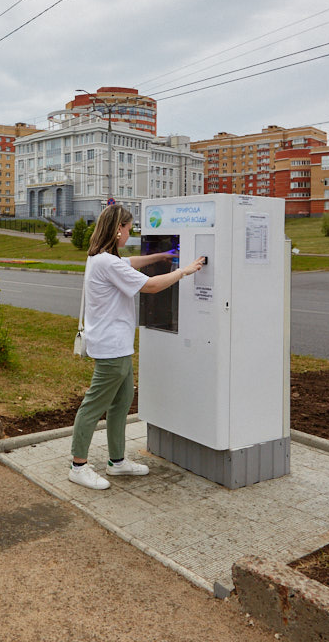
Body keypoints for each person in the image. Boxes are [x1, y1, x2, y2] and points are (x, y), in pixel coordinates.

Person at [68, 203, 205, 490]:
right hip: (111, 349)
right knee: (93, 407)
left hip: (118, 346)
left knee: (120, 403)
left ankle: (117, 462)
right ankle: (78, 466)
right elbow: (152, 286)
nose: (130, 234)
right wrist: (185, 271)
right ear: (118, 229)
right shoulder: (107, 262)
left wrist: (162, 255)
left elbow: (129, 263)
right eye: (129, 229)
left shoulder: (100, 258)